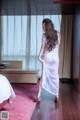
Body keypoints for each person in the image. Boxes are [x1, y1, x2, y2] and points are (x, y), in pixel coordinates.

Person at [38, 18, 60, 102]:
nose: (43, 28)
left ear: (46, 26)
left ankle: (39, 95)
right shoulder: (57, 33)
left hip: (46, 57)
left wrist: (39, 57)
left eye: (43, 26)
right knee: (55, 76)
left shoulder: (44, 35)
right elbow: (58, 44)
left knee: (43, 76)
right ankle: (56, 95)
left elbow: (43, 47)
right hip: (55, 58)